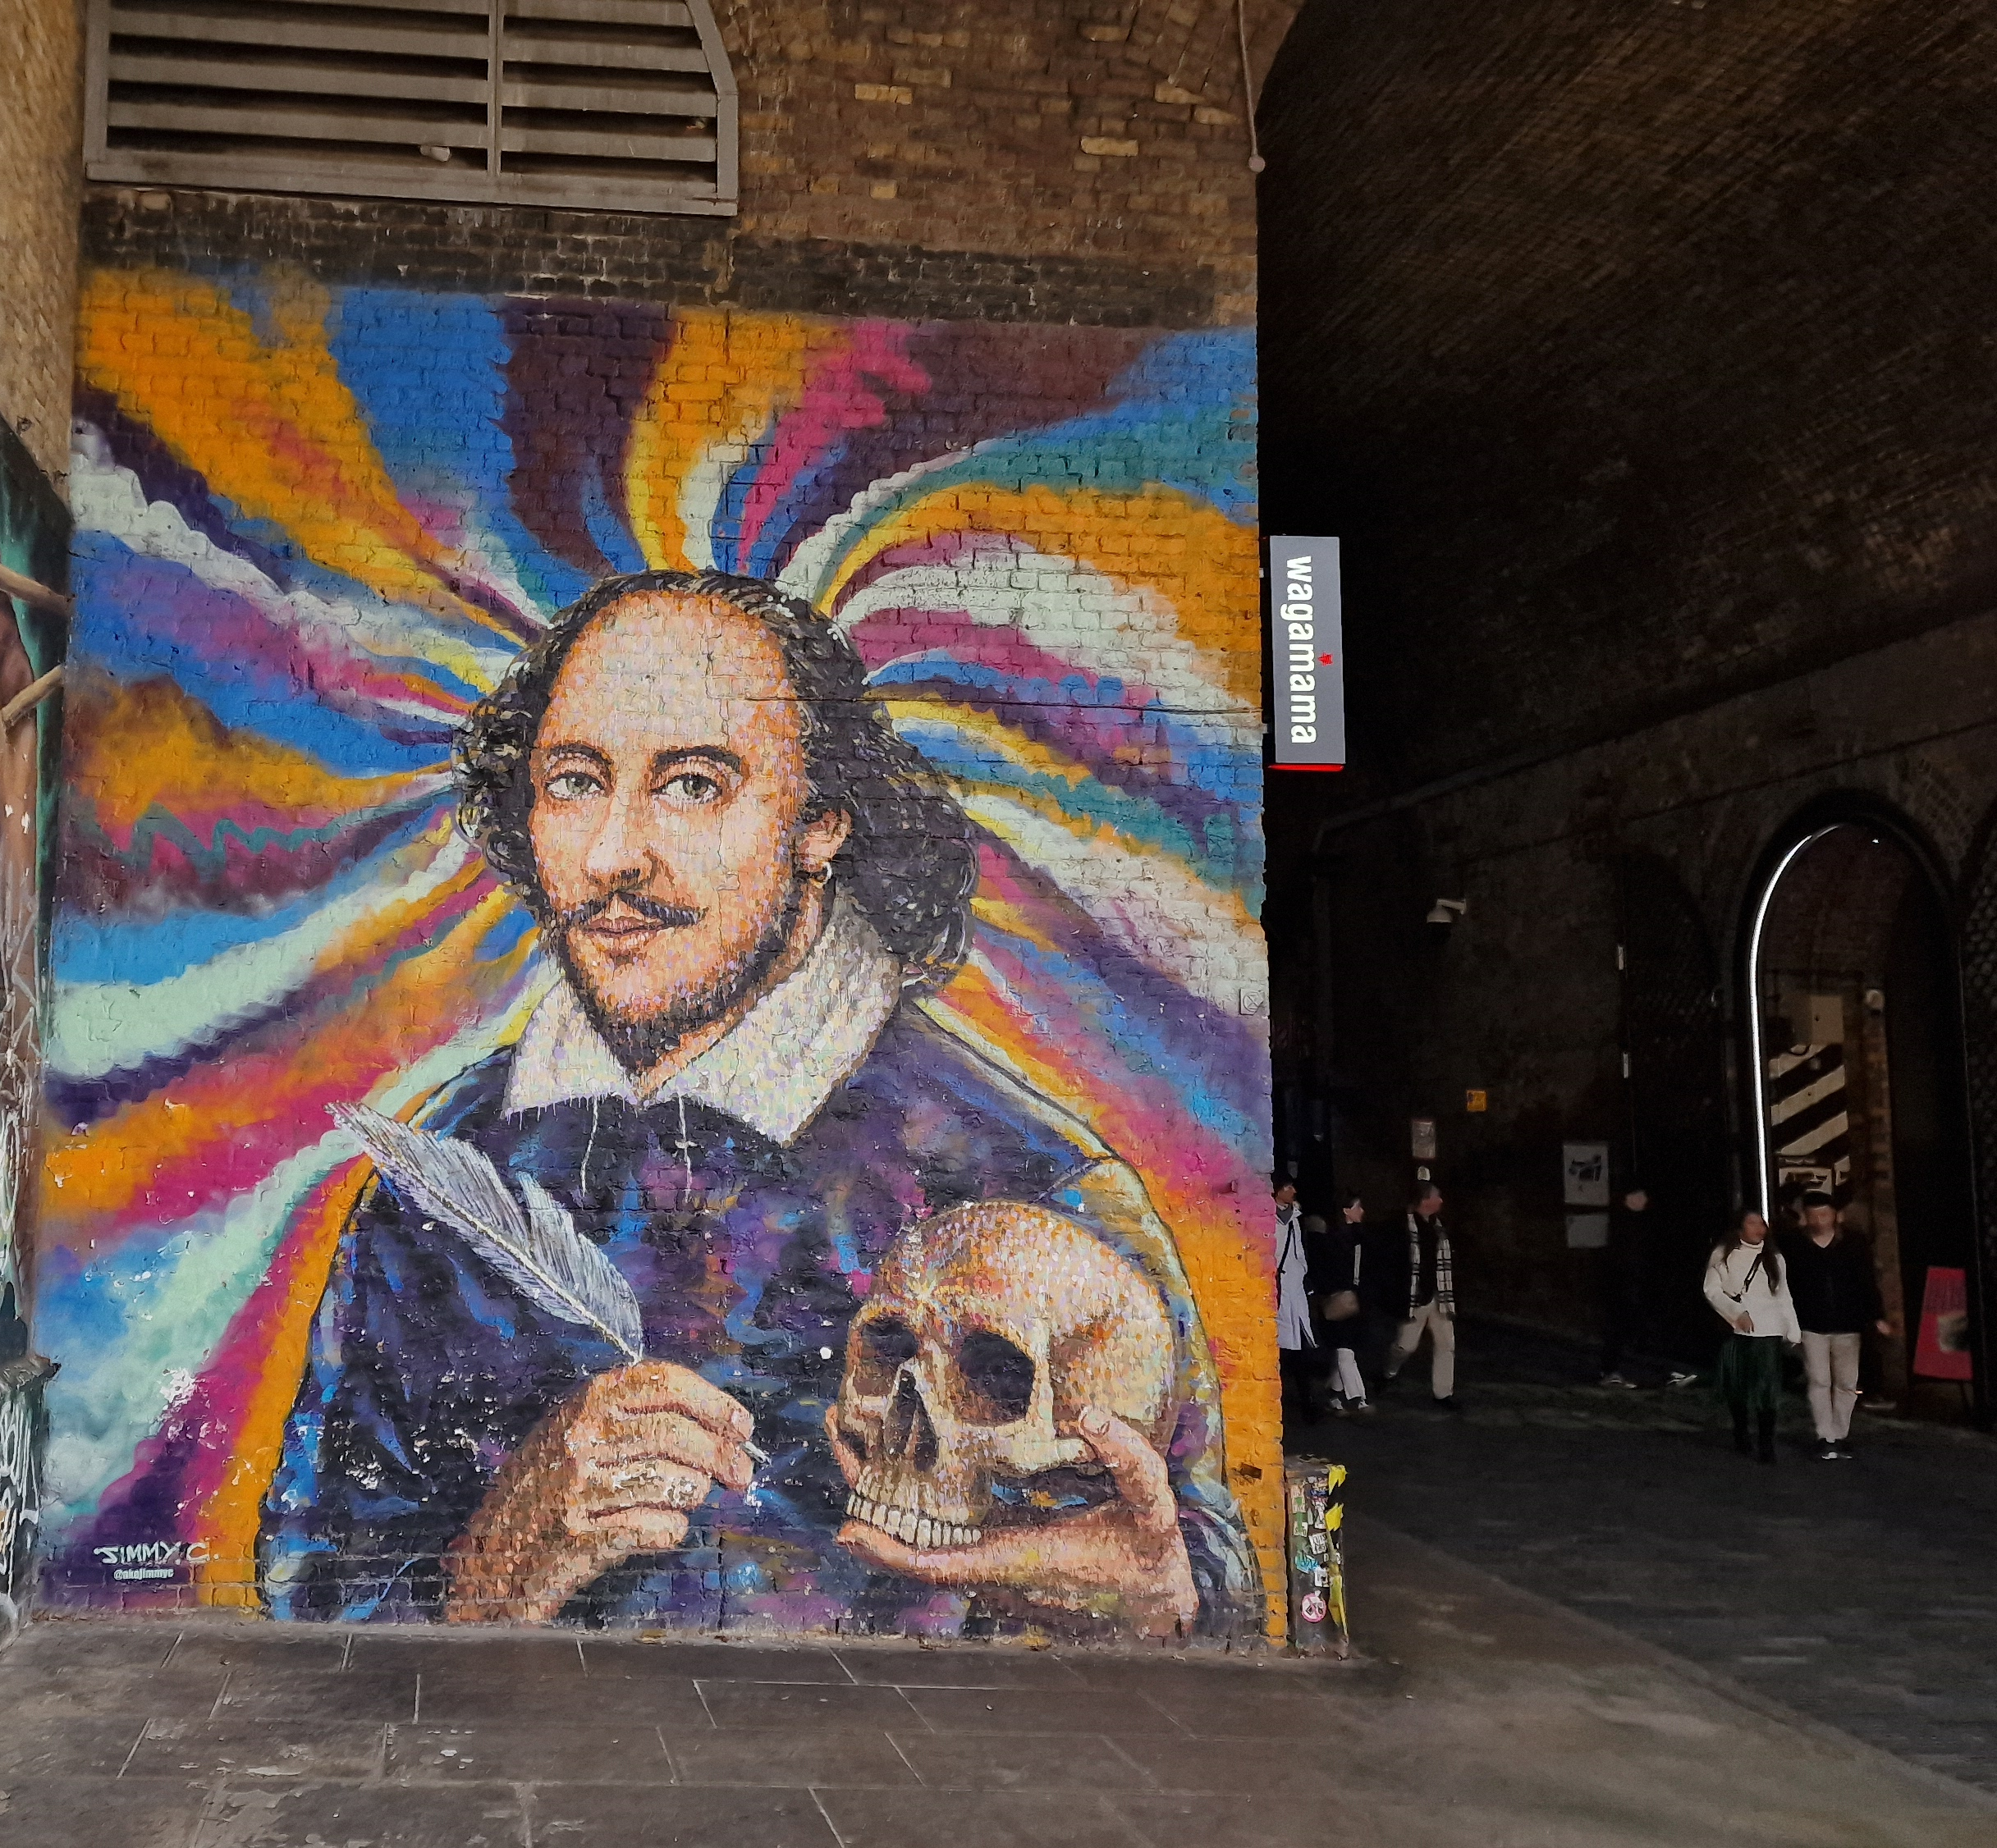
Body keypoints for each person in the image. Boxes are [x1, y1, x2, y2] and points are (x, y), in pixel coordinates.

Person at [260, 569, 1252, 1637]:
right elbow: (308, 1596)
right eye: (575, 781)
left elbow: (1200, 1582)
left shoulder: (1035, 1183)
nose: (612, 855)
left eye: (692, 784)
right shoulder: (442, 1176)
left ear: (820, 823)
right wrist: (498, 1562)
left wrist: (1160, 1602)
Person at [1780, 1189, 1892, 1461]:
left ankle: (1840, 1433)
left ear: (1835, 1216)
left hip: (1848, 1322)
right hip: (1811, 1322)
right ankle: (1825, 1435)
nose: (1819, 1220)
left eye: (1824, 1215)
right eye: (1813, 1215)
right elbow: (1786, 1285)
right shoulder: (1794, 1244)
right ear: (1805, 1217)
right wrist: (1788, 1320)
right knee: (1819, 1380)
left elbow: (1867, 1281)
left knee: (1846, 1382)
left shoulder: (1853, 1242)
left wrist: (1876, 1316)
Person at [1704, 1208, 1798, 1463]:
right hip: (1737, 1329)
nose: (1759, 1228)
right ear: (1739, 1228)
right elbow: (1712, 1290)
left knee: (1767, 1389)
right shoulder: (1723, 1254)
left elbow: (1783, 1294)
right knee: (1738, 1386)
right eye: (1752, 1223)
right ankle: (1741, 1432)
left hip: (1769, 1329)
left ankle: (1766, 1444)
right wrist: (1737, 1313)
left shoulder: (1774, 1257)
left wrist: (1793, 1329)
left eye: (1761, 1223)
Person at [1387, 1180, 1459, 1411]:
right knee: (1406, 1345)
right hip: (1416, 1296)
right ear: (1425, 1200)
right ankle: (1390, 1371)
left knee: (1446, 1344)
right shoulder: (1403, 1226)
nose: (1441, 1201)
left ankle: (1443, 1394)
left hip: (1440, 1294)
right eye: (1437, 1196)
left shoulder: (1440, 1226)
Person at [1309, 1193, 1373, 1413]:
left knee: (1344, 1351)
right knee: (1346, 1351)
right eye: (1357, 1207)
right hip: (1342, 1299)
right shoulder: (1339, 1240)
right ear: (1346, 1211)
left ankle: (1334, 1395)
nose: (1362, 1211)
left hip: (1351, 1300)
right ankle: (1358, 1398)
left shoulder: (1356, 1238)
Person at [1275, 1177, 1329, 1425]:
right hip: (1278, 1291)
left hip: (1295, 1291)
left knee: (1299, 1350)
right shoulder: (1268, 1218)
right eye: (1287, 1187)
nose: (1293, 1191)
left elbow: (1299, 1252)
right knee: (1284, 1350)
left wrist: (1303, 1274)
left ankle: (1307, 1403)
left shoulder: (1296, 1218)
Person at [1597, 1186, 1653, 1388]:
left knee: (1629, 1326)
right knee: (1618, 1327)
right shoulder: (1620, 1224)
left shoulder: (1643, 1224)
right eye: (1637, 1196)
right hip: (1621, 1284)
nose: (1642, 1200)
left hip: (1634, 1282)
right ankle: (1610, 1370)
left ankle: (1619, 1368)